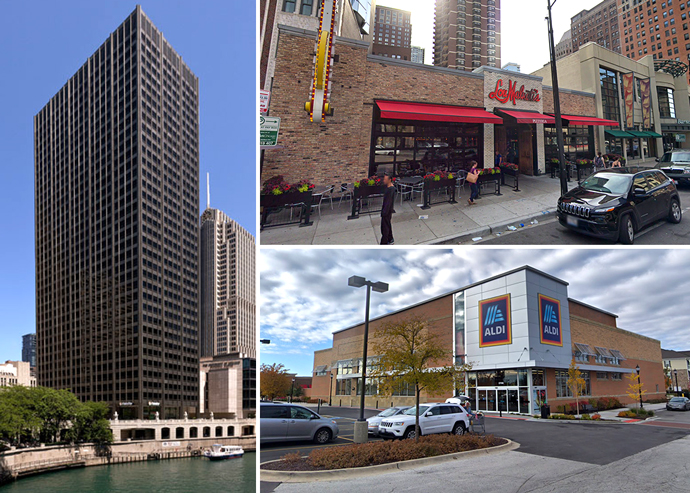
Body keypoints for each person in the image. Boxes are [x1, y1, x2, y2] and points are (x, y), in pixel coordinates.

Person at [380, 173, 396, 245]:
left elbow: (388, 202)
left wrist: (384, 212)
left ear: (389, 180)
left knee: (385, 228)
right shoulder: (388, 188)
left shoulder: (391, 189)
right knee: (387, 225)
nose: (384, 180)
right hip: (386, 211)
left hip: (386, 211)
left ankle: (384, 242)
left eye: (385, 179)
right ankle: (390, 238)